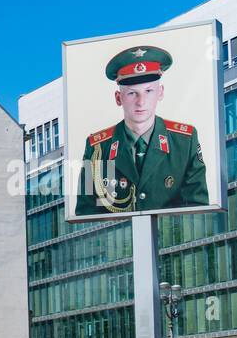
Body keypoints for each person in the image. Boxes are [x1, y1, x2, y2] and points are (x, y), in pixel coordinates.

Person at [75, 45, 209, 218]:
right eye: (132, 93)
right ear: (118, 98)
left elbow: (198, 212)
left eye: (148, 91)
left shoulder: (184, 141)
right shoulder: (97, 148)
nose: (141, 102)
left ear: (160, 93)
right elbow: (85, 214)